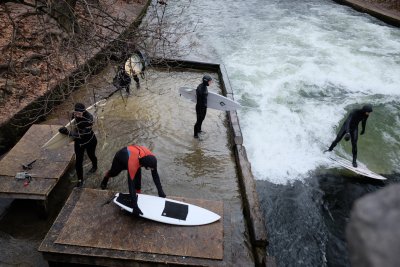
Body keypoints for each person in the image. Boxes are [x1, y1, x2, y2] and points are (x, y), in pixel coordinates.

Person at [100, 145, 166, 216]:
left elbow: (155, 175)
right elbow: (131, 184)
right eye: (150, 168)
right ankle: (106, 177)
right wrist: (135, 206)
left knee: (138, 181)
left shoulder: (152, 159)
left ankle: (138, 195)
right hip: (120, 159)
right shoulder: (133, 163)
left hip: (137, 158)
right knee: (114, 173)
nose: (151, 170)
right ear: (145, 165)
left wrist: (160, 191)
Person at [59, 103, 98, 187]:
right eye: (75, 113)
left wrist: (68, 133)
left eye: (79, 114)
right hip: (79, 143)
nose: (77, 115)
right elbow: (72, 126)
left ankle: (95, 166)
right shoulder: (75, 115)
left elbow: (82, 134)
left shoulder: (89, 119)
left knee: (91, 155)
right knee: (78, 162)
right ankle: (80, 180)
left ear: (84, 112)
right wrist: (65, 129)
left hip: (90, 140)